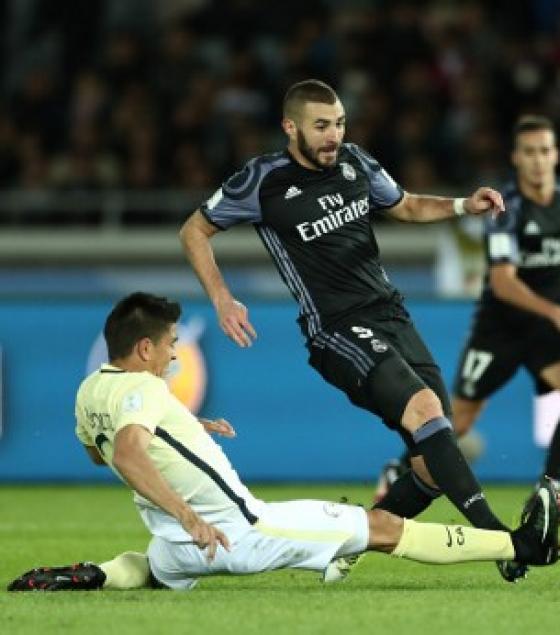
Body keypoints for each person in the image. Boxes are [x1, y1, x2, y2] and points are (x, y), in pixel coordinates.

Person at [179, 78, 529, 581]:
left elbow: (403, 204)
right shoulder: (262, 180)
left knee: (432, 460)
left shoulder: (356, 162)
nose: (333, 135)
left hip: (391, 315)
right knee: (427, 412)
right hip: (335, 329)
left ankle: (350, 544)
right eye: (321, 125)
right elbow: (195, 229)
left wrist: (459, 206)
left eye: (339, 123)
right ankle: (502, 541)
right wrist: (221, 297)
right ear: (290, 127)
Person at [7, 292, 560, 592]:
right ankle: (520, 547)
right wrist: (192, 513)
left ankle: (100, 575)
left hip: (173, 546)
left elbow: (98, 451)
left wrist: (186, 431)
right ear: (146, 349)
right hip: (235, 533)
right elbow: (128, 450)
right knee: (381, 528)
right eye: (172, 344)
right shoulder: (142, 392)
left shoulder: (90, 391)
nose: (176, 355)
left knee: (154, 568)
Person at [378, 116, 560, 531]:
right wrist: (559, 312)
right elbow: (502, 282)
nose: (538, 161)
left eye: (545, 151)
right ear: (516, 159)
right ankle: (395, 471)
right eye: (529, 153)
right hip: (500, 329)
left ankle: (549, 490)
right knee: (456, 423)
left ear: (556, 155)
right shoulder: (506, 209)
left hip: (544, 330)